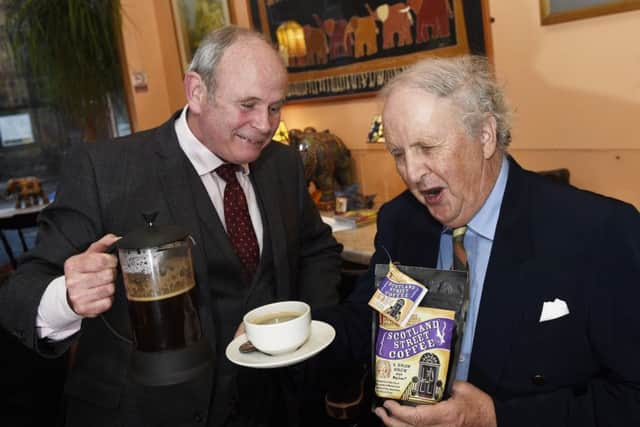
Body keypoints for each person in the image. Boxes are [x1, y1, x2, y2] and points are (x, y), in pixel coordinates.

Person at [0, 26, 342, 427]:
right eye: (248, 104)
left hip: (272, 408)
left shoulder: (281, 165)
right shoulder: (105, 170)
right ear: (196, 91)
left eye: (275, 107)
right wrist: (67, 297)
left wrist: (307, 331)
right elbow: (20, 295)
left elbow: (317, 250)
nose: (265, 124)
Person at [327, 55, 640, 426]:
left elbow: (631, 398)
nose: (411, 173)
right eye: (398, 153)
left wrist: (494, 418)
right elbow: (367, 320)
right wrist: (294, 335)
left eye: (427, 147)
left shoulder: (598, 232)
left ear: (486, 136)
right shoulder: (401, 220)